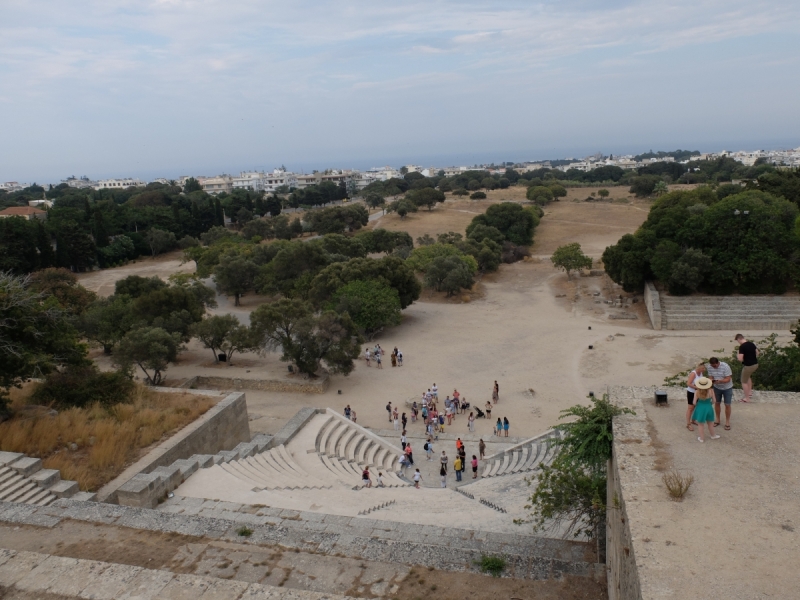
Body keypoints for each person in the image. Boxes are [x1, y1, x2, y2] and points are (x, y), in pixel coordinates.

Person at [691, 377, 720, 442]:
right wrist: (709, 404)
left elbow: (694, 402)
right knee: (710, 423)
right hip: (709, 407)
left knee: (700, 424)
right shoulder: (711, 391)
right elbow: (714, 401)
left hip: (700, 408)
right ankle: (713, 435)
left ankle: (702, 438)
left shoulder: (697, 392)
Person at [707, 356, 733, 431]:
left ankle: (727, 422)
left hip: (727, 388)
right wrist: (711, 381)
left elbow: (728, 378)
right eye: (712, 366)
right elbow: (710, 376)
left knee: (727, 404)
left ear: (718, 363)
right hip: (717, 388)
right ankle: (718, 420)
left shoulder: (725, 366)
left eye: (715, 366)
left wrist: (720, 381)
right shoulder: (710, 367)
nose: (713, 367)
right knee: (717, 403)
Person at [736, 334, 759, 403]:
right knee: (748, 377)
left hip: (748, 366)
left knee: (743, 381)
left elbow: (740, 359)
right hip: (755, 364)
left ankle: (747, 398)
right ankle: (749, 392)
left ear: (739, 339)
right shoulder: (751, 344)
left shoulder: (742, 347)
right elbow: (757, 353)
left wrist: (738, 357)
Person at [685, 362, 706, 431]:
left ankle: (693, 420)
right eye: (703, 368)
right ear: (699, 368)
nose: (704, 369)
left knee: (696, 406)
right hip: (692, 392)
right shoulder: (693, 374)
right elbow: (688, 383)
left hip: (698, 392)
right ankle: (688, 424)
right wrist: (695, 387)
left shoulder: (701, 373)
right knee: (690, 408)